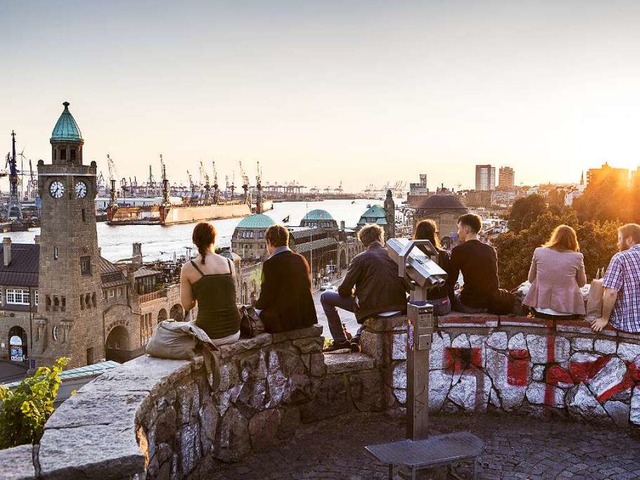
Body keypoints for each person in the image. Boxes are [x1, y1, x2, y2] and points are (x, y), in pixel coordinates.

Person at [321, 224, 407, 352]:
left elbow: (344, 291)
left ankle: (340, 341)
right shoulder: (395, 256)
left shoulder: (359, 259)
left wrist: (355, 292)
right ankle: (357, 336)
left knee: (325, 297)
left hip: (372, 309)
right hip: (398, 308)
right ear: (380, 237)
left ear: (363, 241)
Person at [180, 222, 240, 346]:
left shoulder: (188, 268)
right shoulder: (229, 263)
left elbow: (187, 306)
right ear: (214, 239)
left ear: (195, 241)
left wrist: (200, 292)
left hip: (209, 335)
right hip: (234, 332)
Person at [255, 225, 317, 333]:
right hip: (305, 318)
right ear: (286, 240)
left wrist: (256, 311)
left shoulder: (270, 264)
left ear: (270, 242)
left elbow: (266, 295)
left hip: (284, 322)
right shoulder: (301, 259)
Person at [523, 225, 586, 319]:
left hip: (540, 310)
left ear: (554, 237)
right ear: (573, 240)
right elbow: (582, 283)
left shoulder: (538, 252)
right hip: (568, 312)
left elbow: (531, 279)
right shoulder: (577, 257)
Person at [591, 223, 640, 333]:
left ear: (630, 240)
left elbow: (611, 292)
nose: (617, 243)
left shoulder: (620, 258)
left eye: (619, 239)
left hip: (628, 325)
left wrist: (604, 319)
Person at [446, 213, 499, 313]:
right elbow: (493, 279)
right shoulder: (490, 250)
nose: (458, 232)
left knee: (455, 295)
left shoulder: (459, 251)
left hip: (470, 304)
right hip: (491, 304)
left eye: (459, 228)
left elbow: (451, 281)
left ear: (466, 229)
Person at [413, 219, 451, 316]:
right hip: (441, 305)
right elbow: (448, 279)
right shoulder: (442, 254)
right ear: (434, 234)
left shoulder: (411, 254)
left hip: (419, 304)